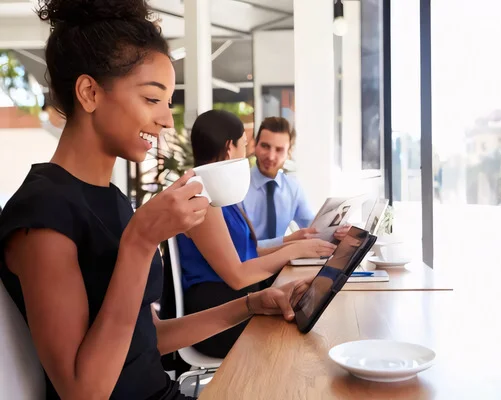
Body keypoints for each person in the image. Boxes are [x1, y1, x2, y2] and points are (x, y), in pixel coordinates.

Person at [0, 1, 312, 399]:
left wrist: (251, 304)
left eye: (168, 102)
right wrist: (141, 240)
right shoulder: (42, 215)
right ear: (89, 92)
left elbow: (147, 343)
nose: (167, 119)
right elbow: (83, 391)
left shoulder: (110, 200)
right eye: (152, 99)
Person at [178, 110, 336, 358]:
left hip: (233, 301)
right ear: (230, 148)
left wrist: (295, 245)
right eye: (244, 145)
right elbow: (238, 276)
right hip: (216, 314)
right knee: (304, 326)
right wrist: (292, 250)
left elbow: (248, 253)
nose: (246, 154)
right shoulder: (202, 196)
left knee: (311, 309)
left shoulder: (218, 193)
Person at [243, 117, 350, 247]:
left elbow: (313, 228)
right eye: (265, 146)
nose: (271, 156)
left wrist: (338, 231)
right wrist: (287, 240)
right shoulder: (239, 187)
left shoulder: (292, 188)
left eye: (279, 149)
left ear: (289, 152)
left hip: (284, 264)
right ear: (255, 145)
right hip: (248, 264)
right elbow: (240, 248)